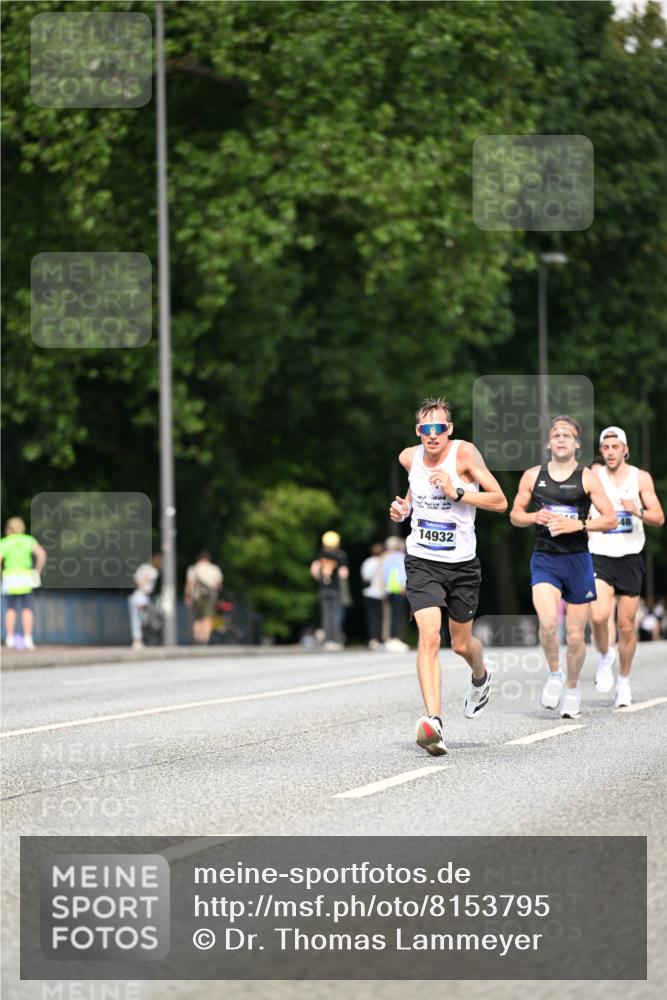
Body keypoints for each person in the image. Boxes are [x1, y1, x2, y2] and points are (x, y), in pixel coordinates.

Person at [389, 397, 508, 755]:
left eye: (439, 427)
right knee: (428, 637)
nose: (432, 435)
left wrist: (457, 492)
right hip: (422, 561)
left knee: (460, 644)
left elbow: (500, 500)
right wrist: (404, 509)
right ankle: (434, 724)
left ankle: (480, 675)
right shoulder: (409, 457)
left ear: (449, 429)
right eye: (425, 429)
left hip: (462, 565)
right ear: (418, 432)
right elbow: (414, 490)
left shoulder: (465, 455)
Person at [510, 415, 616, 719]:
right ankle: (554, 674)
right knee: (546, 624)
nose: (560, 439)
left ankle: (572, 688)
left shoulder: (587, 478)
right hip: (545, 558)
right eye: (556, 434)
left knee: (575, 634)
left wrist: (578, 525)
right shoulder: (533, 476)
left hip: (578, 560)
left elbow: (609, 519)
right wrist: (533, 517)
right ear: (548, 442)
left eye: (567, 435)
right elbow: (515, 514)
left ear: (576, 444)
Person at [587, 427, 664, 706]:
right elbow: (582, 507)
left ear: (625, 449)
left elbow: (658, 517)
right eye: (605, 448)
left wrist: (636, 510)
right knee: (598, 615)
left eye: (615, 447)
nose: (609, 452)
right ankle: (606, 655)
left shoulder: (640, 478)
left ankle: (624, 681)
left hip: (630, 556)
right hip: (600, 554)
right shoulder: (594, 477)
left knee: (627, 626)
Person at [0, 517, 46, 650]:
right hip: (26, 577)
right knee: (27, 608)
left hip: (9, 577)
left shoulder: (5, 542)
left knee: (10, 608)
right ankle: (28, 639)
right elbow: (42, 554)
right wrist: (37, 571)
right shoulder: (28, 540)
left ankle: (9, 639)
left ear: (9, 529)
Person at [310, 531, 349, 651]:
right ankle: (336, 641)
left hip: (324, 588)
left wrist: (321, 577)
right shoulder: (340, 555)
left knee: (326, 615)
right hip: (335, 589)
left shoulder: (320, 554)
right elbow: (344, 574)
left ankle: (327, 641)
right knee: (335, 615)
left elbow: (314, 571)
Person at [185, 551, 224, 645]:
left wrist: (188, 596)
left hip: (197, 596)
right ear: (208, 559)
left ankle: (197, 638)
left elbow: (190, 584)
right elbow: (219, 583)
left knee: (197, 618)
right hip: (211, 596)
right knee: (208, 617)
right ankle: (205, 639)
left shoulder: (194, 568)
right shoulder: (214, 568)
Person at [382, 536, 410, 652]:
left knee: (392, 614)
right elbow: (403, 573)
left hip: (389, 588)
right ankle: (396, 638)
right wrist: (404, 585)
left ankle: (391, 638)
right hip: (398, 588)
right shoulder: (401, 557)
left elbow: (385, 574)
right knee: (398, 615)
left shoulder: (388, 558)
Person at [128, 561, 159, 650]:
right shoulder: (151, 570)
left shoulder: (145, 568)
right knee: (142, 620)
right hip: (141, 598)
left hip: (140, 597)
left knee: (138, 620)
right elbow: (142, 579)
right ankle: (138, 640)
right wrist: (144, 588)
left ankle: (139, 640)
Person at [360, 542, 385, 650]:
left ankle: (372, 639)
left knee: (371, 617)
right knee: (379, 617)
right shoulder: (383, 562)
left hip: (368, 593)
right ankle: (377, 639)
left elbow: (365, 577)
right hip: (379, 594)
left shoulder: (368, 562)